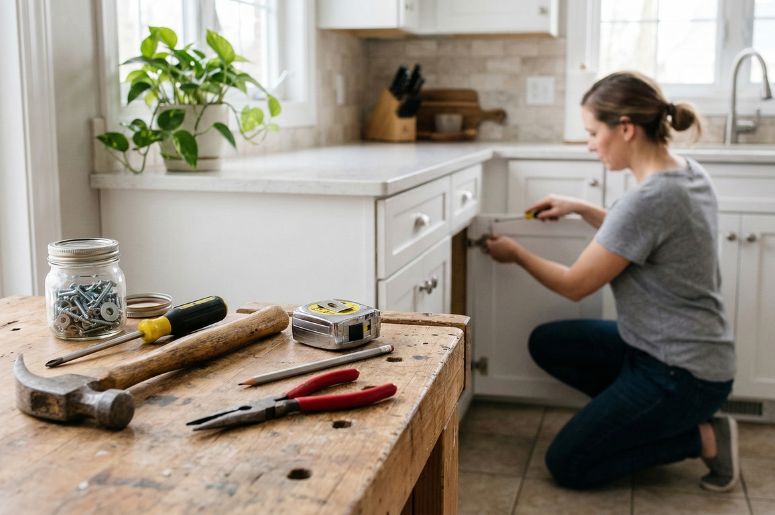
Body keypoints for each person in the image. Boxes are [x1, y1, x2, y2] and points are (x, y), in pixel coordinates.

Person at [484, 71, 738, 491]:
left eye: (592, 132)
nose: (589, 144)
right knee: (549, 342)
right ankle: (636, 418)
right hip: (664, 350)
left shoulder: (648, 200)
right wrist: (583, 208)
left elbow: (575, 285)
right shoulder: (687, 173)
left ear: (625, 128)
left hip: (682, 374)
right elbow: (641, 238)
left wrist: (516, 254)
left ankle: (704, 436)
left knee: (568, 464)